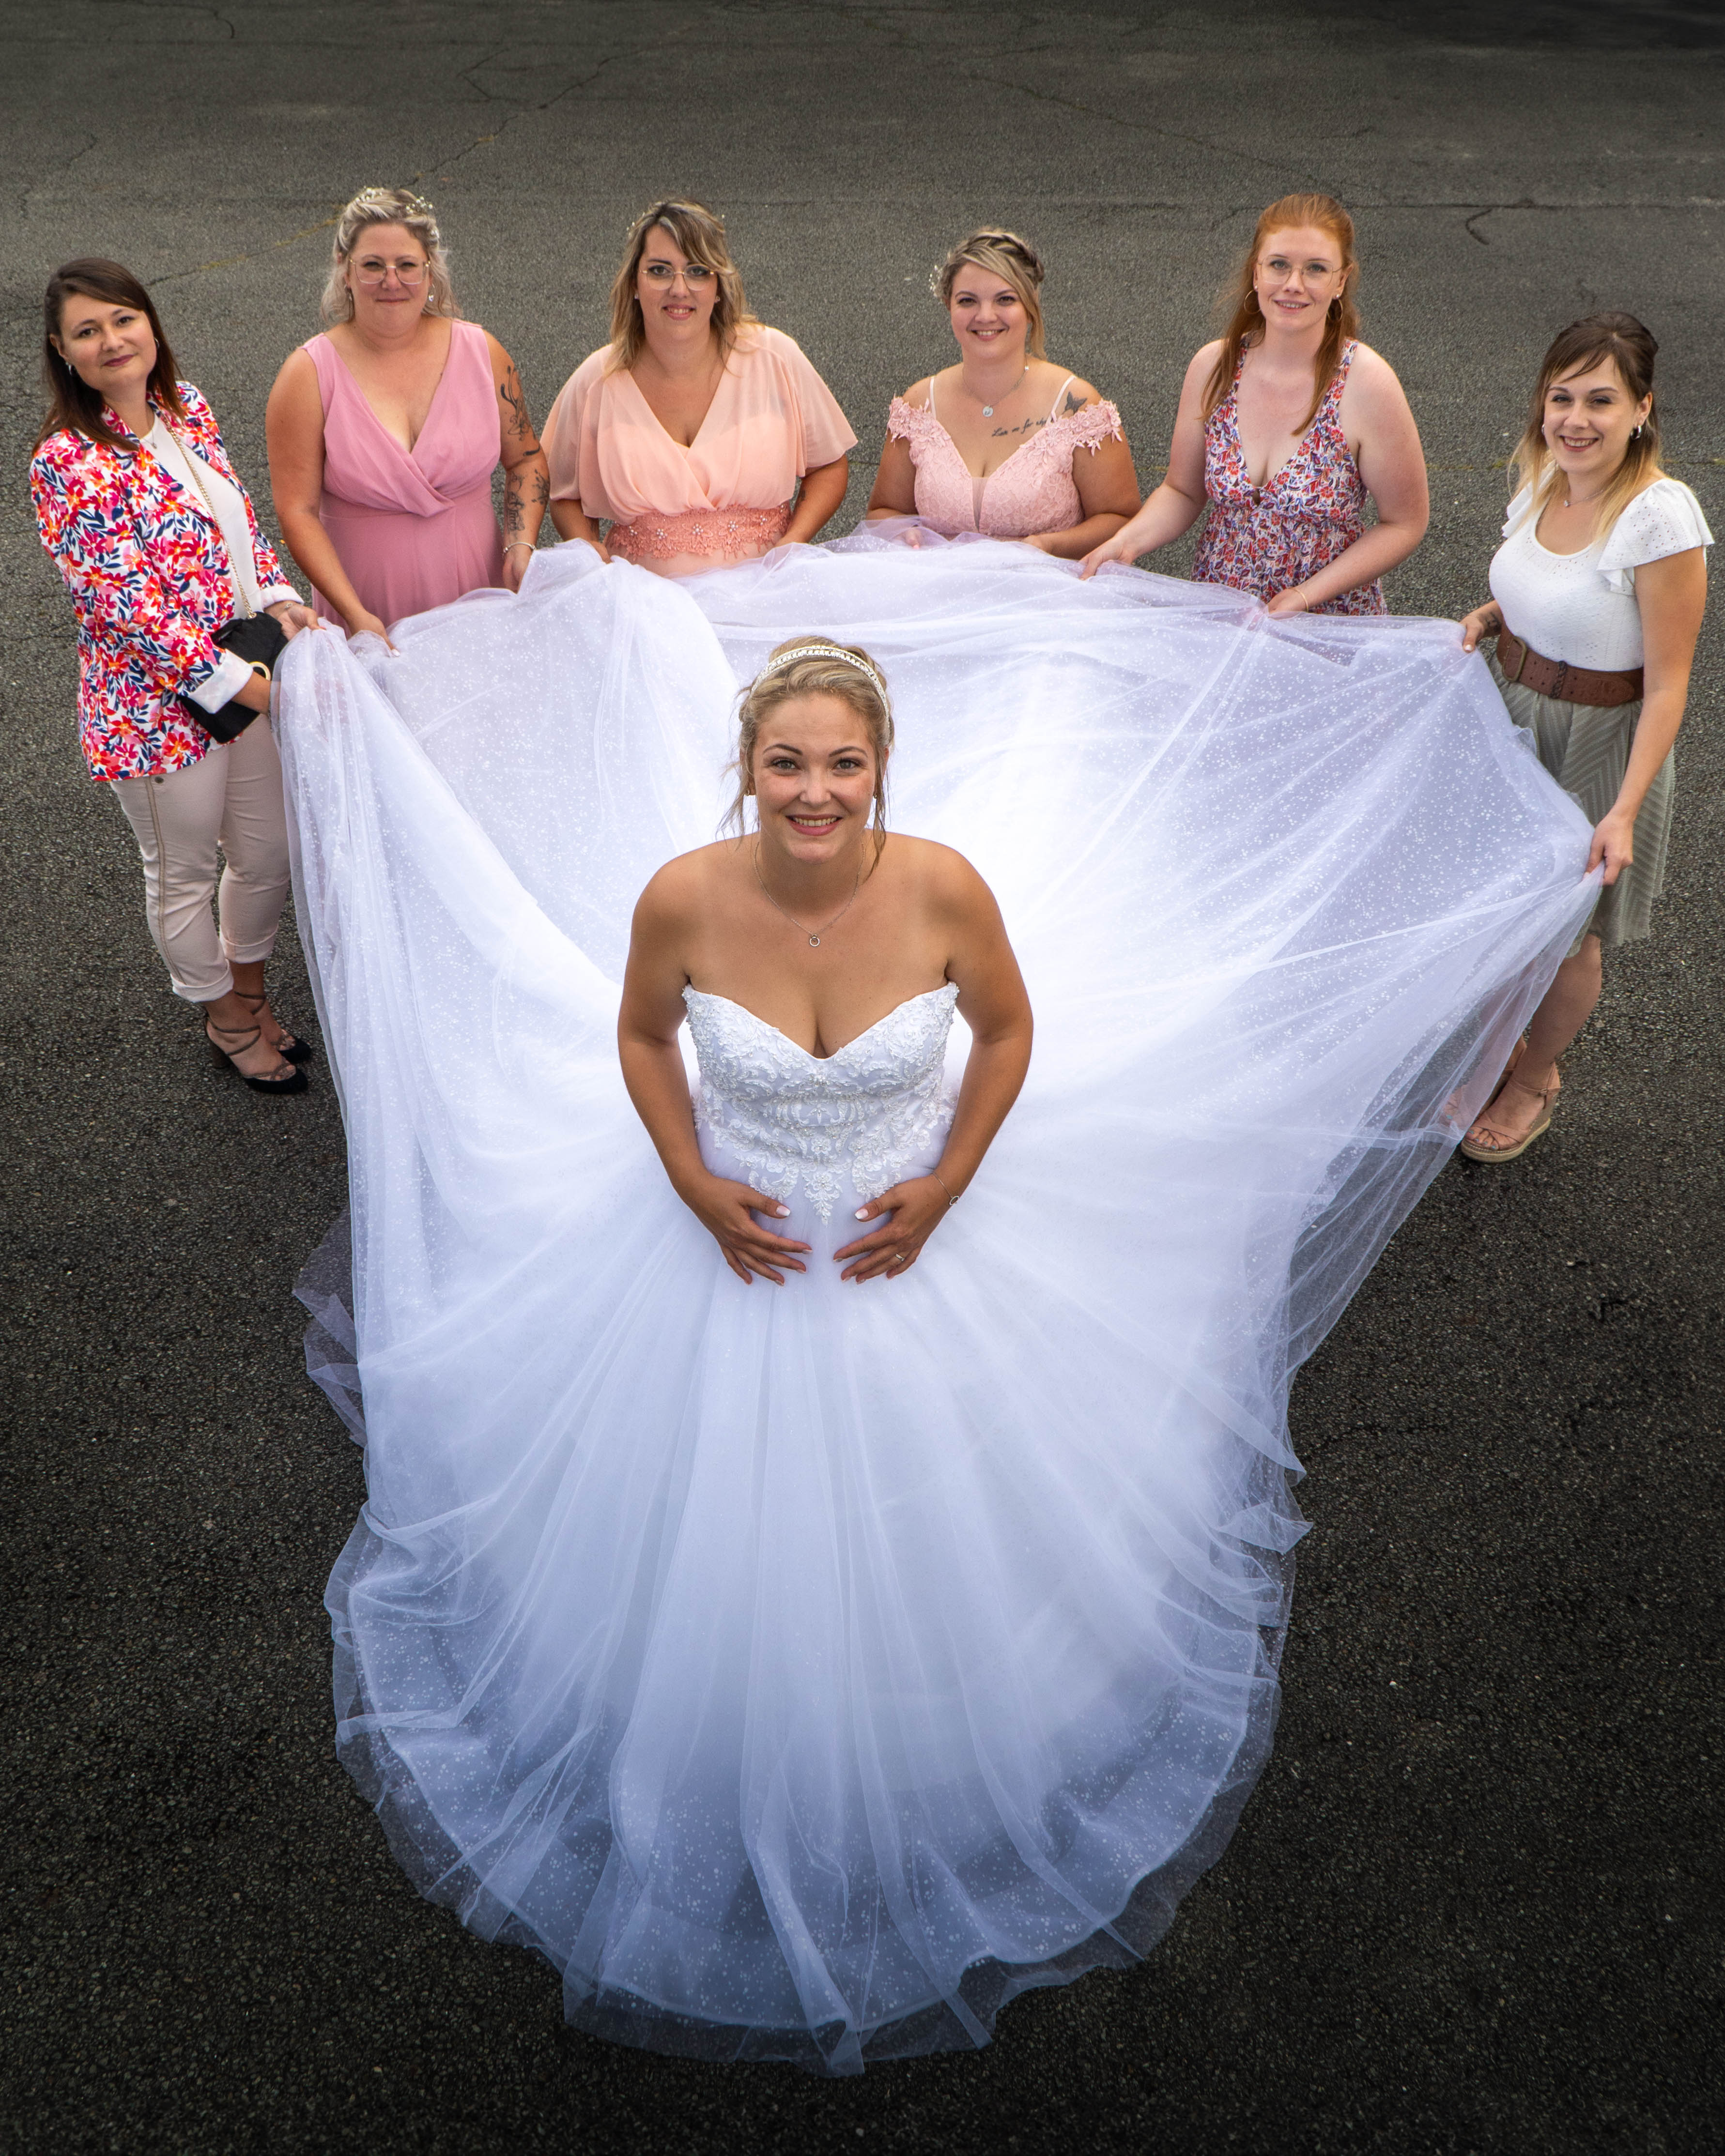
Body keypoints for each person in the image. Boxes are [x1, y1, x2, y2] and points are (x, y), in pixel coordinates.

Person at [277, 510, 1595, 2066]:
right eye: (786, 763)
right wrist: (692, 1177)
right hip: (722, 1242)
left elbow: (1010, 1030)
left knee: (959, 1513)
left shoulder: (946, 888)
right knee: (701, 1532)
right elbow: (640, 1036)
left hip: (916, 1234)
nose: (814, 790)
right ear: (745, 765)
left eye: (841, 764)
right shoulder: (682, 896)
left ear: (881, 766)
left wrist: (950, 1177)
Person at [30, 258, 316, 1094]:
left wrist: (280, 598)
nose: (112, 340)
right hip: (153, 713)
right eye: (88, 331)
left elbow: (239, 524)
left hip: (245, 670)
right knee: (182, 872)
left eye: (123, 319)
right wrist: (251, 688)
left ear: (150, 324)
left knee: (268, 851)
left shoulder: (185, 406)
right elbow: (128, 609)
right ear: (64, 352)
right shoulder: (65, 462)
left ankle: (250, 989)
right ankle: (226, 1018)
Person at [1456, 314, 1710, 1162]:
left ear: (1642, 407)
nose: (1574, 419)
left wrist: (1623, 810)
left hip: (1598, 744)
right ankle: (1496, 1051)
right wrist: (1498, 616)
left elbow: (1668, 682)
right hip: (1513, 717)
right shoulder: (1544, 477)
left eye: (1600, 400)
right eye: (1560, 397)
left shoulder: (1658, 517)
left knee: (1570, 938)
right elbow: (1557, 588)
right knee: (1502, 912)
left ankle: (1534, 1079)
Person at [1081, 193, 1427, 612]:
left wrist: (1305, 595)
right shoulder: (1214, 367)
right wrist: (1124, 543)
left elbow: (1404, 523)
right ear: (1256, 272)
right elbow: (1182, 491)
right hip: (1222, 615)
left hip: (1329, 621)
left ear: (1341, 282)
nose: (1294, 284)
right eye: (1279, 264)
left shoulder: (1368, 382)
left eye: (1316, 269)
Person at [266, 187, 549, 639]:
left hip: (479, 603)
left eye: (407, 265)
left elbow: (527, 459)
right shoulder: (306, 375)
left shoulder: (484, 353)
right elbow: (296, 511)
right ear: (345, 270)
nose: (391, 282)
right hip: (367, 611)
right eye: (373, 265)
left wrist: (520, 543)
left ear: (430, 270)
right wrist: (354, 614)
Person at [542, 198, 855, 578]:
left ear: (719, 285)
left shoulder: (775, 358)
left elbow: (828, 464)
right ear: (634, 283)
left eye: (697, 271)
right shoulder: (597, 381)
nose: (679, 289)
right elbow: (563, 494)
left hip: (764, 590)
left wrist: (795, 539)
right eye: (660, 271)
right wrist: (590, 553)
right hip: (643, 598)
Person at [864, 228, 1139, 555]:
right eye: (967, 301)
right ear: (949, 306)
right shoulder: (919, 404)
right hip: (938, 582)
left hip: (1046, 582)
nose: (985, 316)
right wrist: (902, 533)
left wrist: (1045, 545)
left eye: (1005, 299)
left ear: (1030, 307)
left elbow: (1121, 518)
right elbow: (884, 511)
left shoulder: (1077, 405)